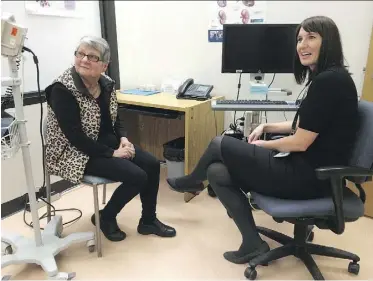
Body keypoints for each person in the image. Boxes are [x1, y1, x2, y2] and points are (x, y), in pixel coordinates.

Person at [167, 15, 359, 264]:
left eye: (311, 37)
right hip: (309, 171)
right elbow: (307, 125)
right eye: (300, 39)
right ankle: (252, 243)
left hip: (308, 177)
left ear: (328, 42)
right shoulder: (330, 78)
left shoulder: (328, 82)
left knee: (220, 143)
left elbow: (300, 141)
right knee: (216, 171)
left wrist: (262, 145)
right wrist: (268, 125)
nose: (302, 45)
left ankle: (192, 181)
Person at [45, 36, 176, 242]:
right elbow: (75, 137)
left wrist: (123, 139)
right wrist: (113, 154)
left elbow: (115, 118)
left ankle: (148, 221)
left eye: (92, 56)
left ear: (104, 65)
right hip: (75, 152)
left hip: (104, 143)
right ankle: (105, 217)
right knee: (138, 176)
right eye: (80, 54)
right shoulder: (62, 89)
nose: (84, 59)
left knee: (151, 164)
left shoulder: (105, 84)